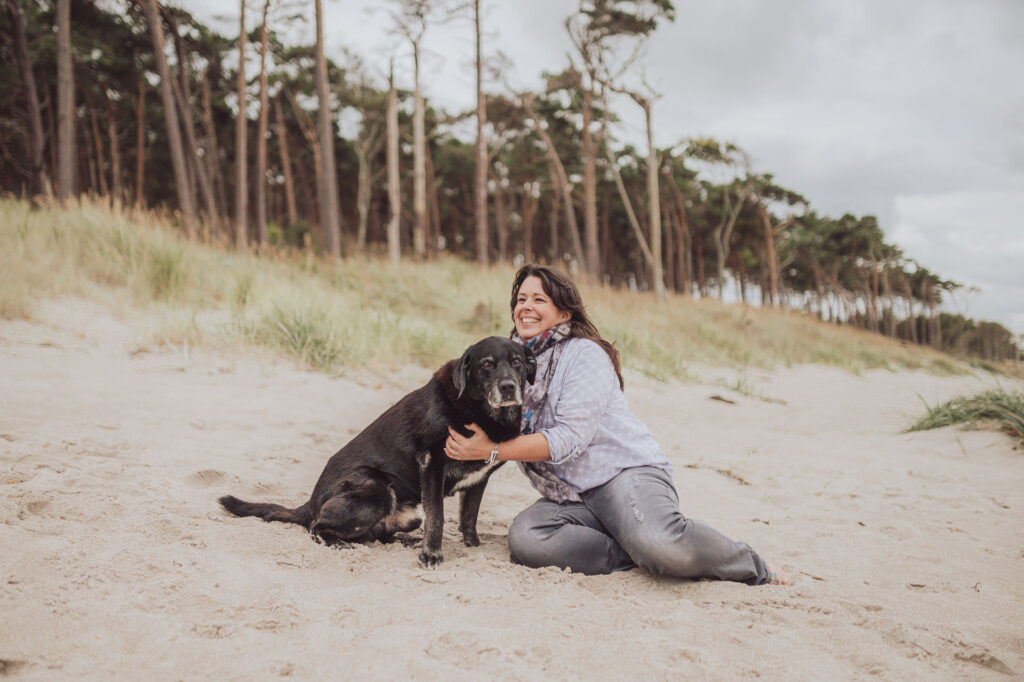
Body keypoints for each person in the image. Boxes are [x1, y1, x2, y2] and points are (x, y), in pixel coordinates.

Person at [444, 264, 790, 585]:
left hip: (624, 476)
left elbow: (568, 439)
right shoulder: (513, 361)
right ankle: (635, 551)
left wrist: (491, 451)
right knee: (528, 538)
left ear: (564, 312)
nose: (526, 306)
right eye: (521, 299)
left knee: (661, 543)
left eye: (539, 299)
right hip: (569, 496)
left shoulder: (584, 354)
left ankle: (753, 565)